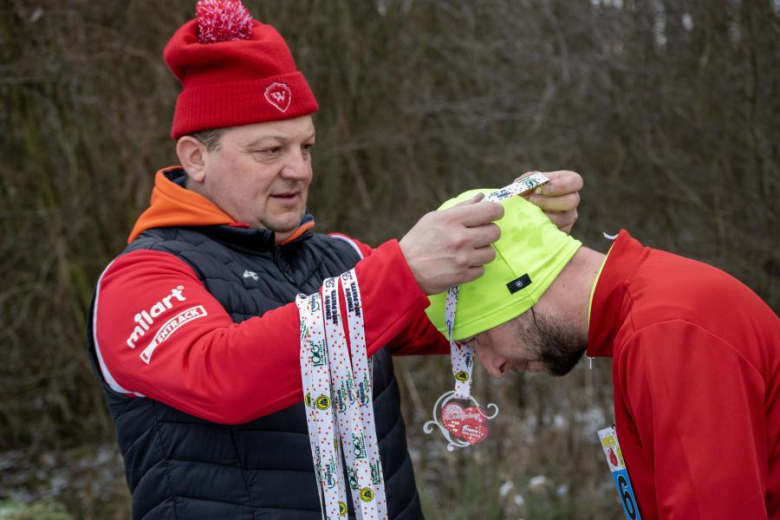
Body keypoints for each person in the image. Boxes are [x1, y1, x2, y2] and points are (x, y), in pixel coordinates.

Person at [85, 1, 583, 518]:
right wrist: (402, 272)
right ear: (196, 158)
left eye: (306, 147)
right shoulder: (140, 277)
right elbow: (224, 376)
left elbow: (462, 314)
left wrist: (517, 235)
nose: (299, 170)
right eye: (270, 151)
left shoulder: (340, 257)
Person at [426, 189, 780, 519]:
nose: (494, 368)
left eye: (479, 338)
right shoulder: (649, 309)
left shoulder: (665, 330)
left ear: (520, 288)